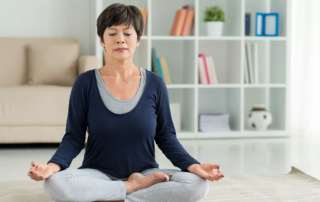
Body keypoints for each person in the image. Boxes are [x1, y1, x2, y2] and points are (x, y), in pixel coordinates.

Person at [27, 3, 225, 202]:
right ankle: (131, 188)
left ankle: (113, 196)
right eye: (112, 33)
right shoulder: (85, 83)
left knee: (197, 185)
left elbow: (166, 136)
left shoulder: (155, 83)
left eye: (127, 33)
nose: (120, 39)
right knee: (55, 184)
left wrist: (194, 166)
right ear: (101, 39)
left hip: (146, 172)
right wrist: (51, 167)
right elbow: (74, 137)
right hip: (97, 173)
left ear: (138, 39)